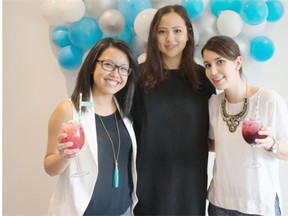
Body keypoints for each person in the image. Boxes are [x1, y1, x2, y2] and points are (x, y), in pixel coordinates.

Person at [131, 5, 215, 215]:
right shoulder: (137, 77)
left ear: (188, 35)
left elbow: (216, 129)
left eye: (177, 30)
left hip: (189, 179)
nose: (170, 38)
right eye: (162, 31)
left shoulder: (204, 78)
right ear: (153, 37)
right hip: (149, 178)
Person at [44, 37, 139, 215]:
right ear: (92, 66)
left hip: (123, 211)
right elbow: (49, 167)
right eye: (108, 64)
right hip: (83, 211)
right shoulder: (68, 110)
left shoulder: (125, 113)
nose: (115, 74)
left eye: (123, 69)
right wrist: (64, 157)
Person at [201, 35, 288, 215]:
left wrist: (272, 144)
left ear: (237, 62)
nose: (213, 71)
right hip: (221, 203)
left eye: (220, 62)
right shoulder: (214, 103)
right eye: (208, 65)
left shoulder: (268, 100)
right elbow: (215, 144)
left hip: (258, 204)